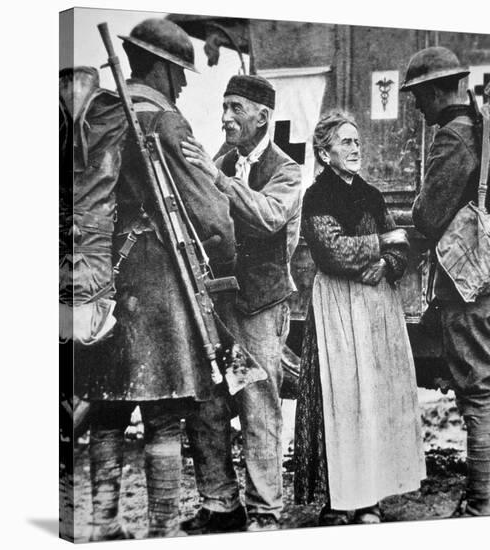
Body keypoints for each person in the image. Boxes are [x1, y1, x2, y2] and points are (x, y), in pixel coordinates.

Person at [74, 18, 236, 540]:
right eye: (181, 72)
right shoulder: (165, 122)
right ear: (163, 68)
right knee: (164, 415)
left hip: (101, 279)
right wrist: (225, 255)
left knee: (104, 412)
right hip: (160, 280)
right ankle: (164, 528)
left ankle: (102, 524)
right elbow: (211, 214)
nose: (185, 84)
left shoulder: (100, 112)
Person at [180, 74, 303, 532]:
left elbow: (270, 217)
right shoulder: (221, 158)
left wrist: (216, 179)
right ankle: (220, 504)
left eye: (235, 108)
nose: (225, 117)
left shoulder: (287, 169)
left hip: (260, 309)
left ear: (262, 117)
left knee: (258, 405)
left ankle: (266, 511)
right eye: (223, 107)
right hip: (220, 308)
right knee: (209, 404)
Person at [292, 112, 426, 525]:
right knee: (340, 400)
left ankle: (369, 499)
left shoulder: (371, 194)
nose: (355, 148)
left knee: (374, 398)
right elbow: (333, 252)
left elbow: (400, 246)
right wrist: (381, 243)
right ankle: (338, 500)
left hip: (375, 307)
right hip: (337, 308)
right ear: (324, 152)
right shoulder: (316, 197)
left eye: (356, 141)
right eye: (345, 142)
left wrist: (387, 264)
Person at [401, 46, 490, 516]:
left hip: (468, 288)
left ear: (437, 91)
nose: (415, 105)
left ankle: (479, 503)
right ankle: (478, 497)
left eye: (418, 95)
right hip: (487, 282)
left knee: (478, 393)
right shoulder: (476, 127)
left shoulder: (453, 137)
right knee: (478, 390)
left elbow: (426, 214)